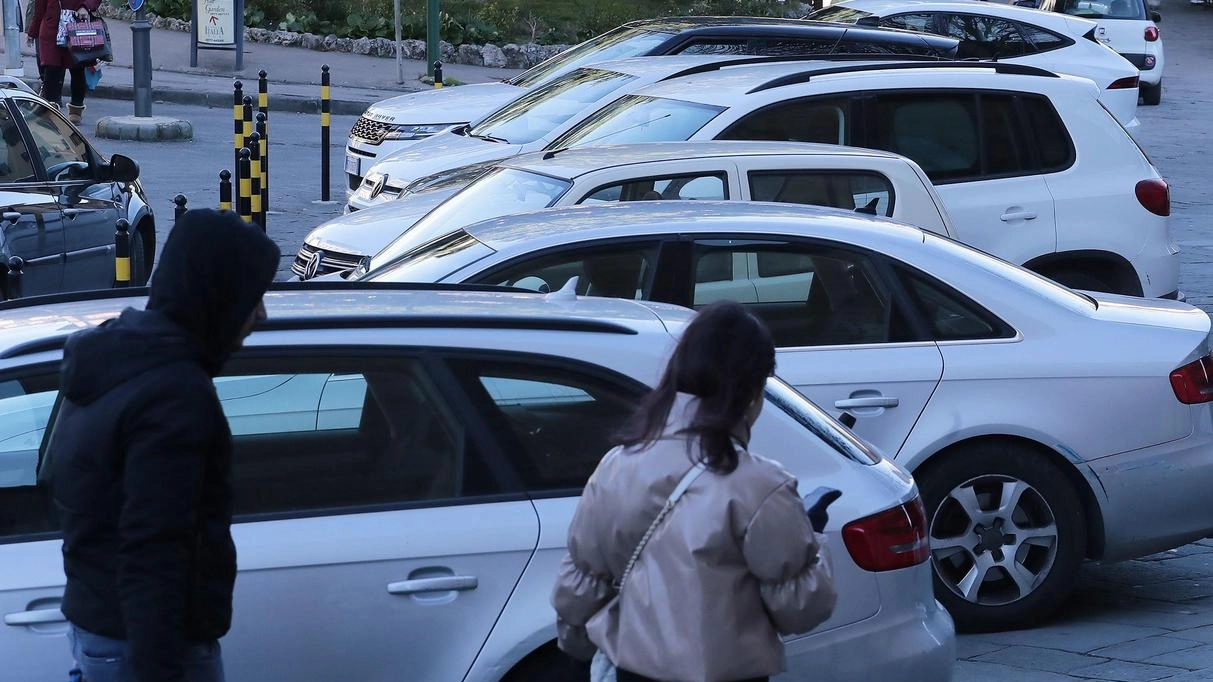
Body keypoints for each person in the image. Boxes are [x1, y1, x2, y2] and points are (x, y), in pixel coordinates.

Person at [47, 209, 280, 682]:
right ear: (219, 296)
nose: (261, 314)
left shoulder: (114, 359)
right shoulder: (174, 393)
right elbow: (155, 547)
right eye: (252, 297)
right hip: (147, 648)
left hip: (99, 625)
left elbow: (60, 479)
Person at [551, 300, 837, 682]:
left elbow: (582, 589)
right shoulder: (762, 486)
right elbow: (800, 608)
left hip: (633, 672)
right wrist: (813, 543)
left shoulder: (616, 466)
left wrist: (580, 646)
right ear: (752, 391)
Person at [26, 0, 100, 124]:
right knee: (51, 70)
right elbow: (39, 8)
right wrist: (32, 31)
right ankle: (50, 110)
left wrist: (84, 6)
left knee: (77, 69)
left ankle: (76, 110)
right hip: (51, 31)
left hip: (77, 28)